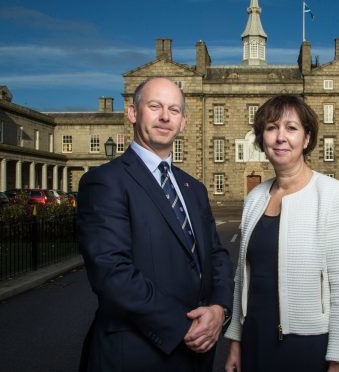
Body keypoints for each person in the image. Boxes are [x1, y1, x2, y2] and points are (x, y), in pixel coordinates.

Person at [77, 77, 234, 372]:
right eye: (155, 106)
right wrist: (182, 327)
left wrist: (219, 310)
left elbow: (216, 256)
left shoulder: (193, 188)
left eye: (174, 110)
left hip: (197, 356)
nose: (165, 116)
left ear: (183, 122)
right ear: (133, 113)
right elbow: (111, 272)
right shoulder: (105, 181)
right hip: (136, 354)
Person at [224, 95, 339, 372]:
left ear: (307, 138)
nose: (280, 137)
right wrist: (235, 341)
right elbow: (243, 276)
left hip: (307, 345)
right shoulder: (255, 198)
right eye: (272, 128)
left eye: (291, 128)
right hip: (254, 339)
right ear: (262, 139)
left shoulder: (335, 196)